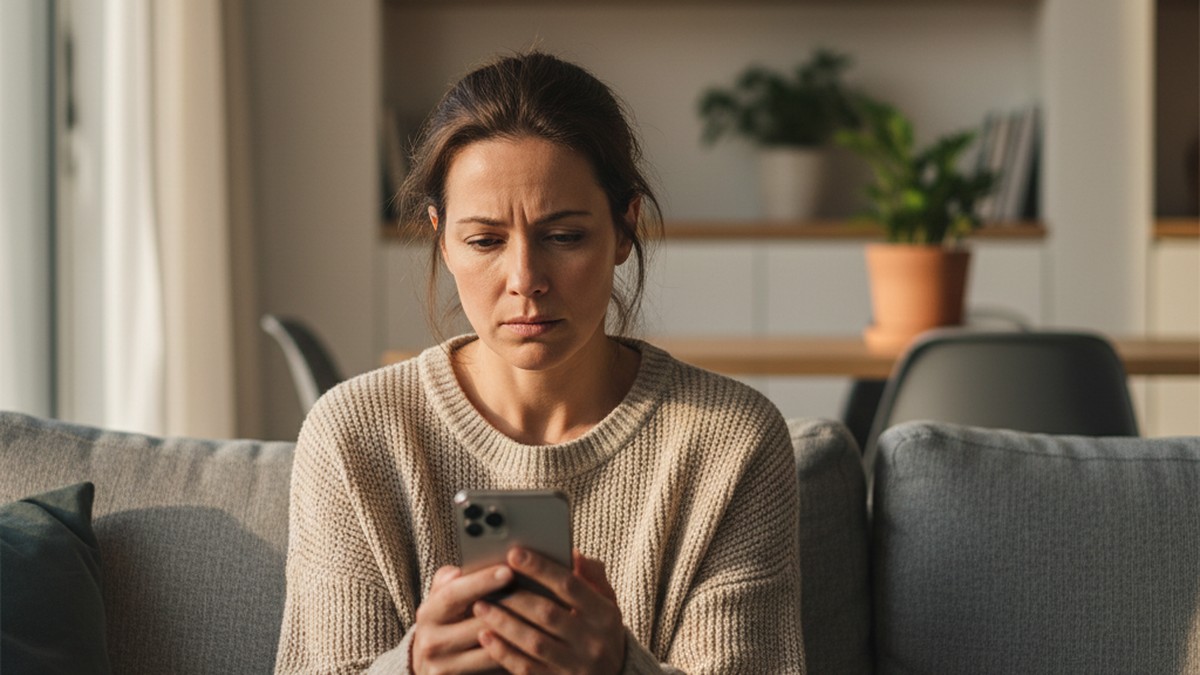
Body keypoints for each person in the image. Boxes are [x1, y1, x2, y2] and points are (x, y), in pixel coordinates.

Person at [274, 51, 806, 674]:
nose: (525, 279)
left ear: (625, 227)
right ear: (442, 239)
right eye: (485, 241)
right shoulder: (352, 435)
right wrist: (412, 667)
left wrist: (618, 669)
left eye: (564, 236)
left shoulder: (732, 443)